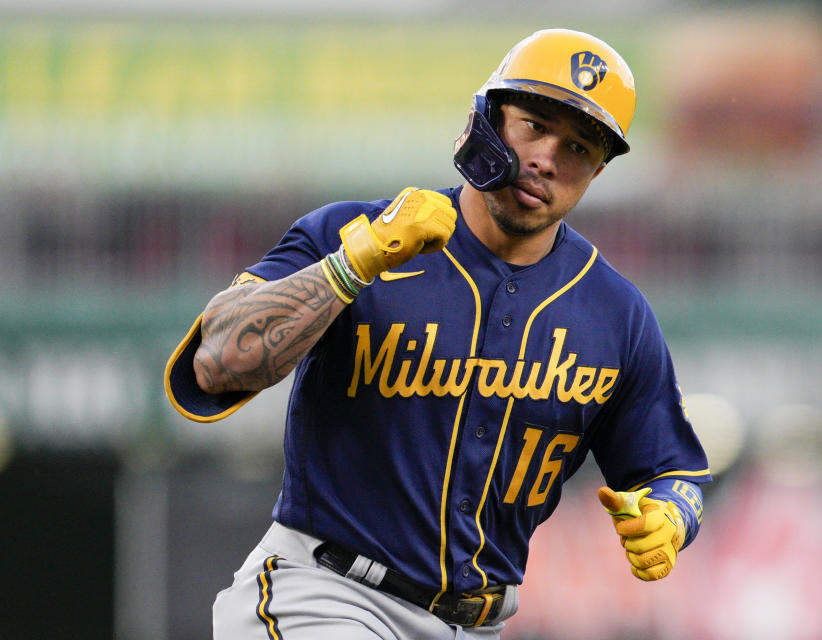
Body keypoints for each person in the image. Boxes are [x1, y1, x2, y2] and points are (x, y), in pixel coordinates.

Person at [165, 28, 711, 640]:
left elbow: (676, 472)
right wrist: (351, 266)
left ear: (597, 170)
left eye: (579, 148)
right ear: (487, 120)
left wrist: (671, 516)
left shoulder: (615, 313)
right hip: (327, 595)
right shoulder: (354, 233)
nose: (548, 158)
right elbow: (215, 362)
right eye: (532, 125)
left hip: (480, 625)